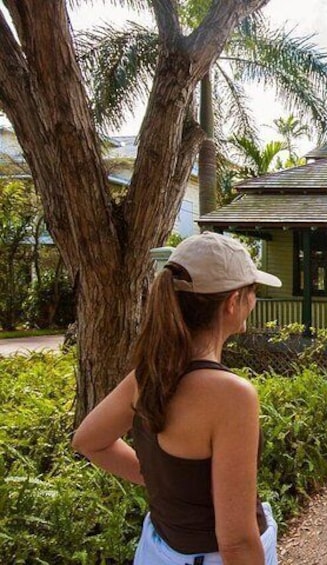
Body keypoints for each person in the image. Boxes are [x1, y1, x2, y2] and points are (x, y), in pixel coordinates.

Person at [72, 232, 282, 564]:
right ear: (232, 302)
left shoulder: (148, 375)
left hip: (158, 549)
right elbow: (237, 542)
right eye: (252, 291)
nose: (253, 301)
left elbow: (88, 440)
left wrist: (167, 485)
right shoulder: (231, 396)